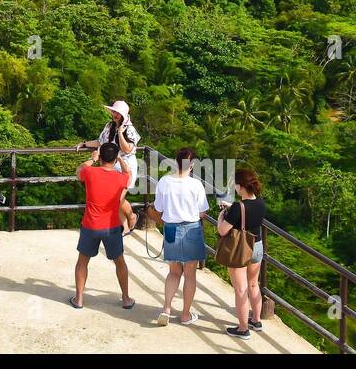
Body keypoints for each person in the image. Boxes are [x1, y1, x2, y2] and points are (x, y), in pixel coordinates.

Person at [70, 143, 137, 310]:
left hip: (90, 225)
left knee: (82, 262)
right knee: (120, 262)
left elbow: (79, 171)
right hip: (111, 227)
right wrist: (120, 158)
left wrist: (91, 160)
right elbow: (128, 173)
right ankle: (126, 299)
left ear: (100, 158)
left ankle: (79, 299)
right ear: (114, 160)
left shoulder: (90, 172)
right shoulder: (121, 178)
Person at [152, 147, 210, 326]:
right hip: (191, 229)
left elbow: (158, 210)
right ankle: (185, 314)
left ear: (175, 161)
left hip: (170, 229)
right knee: (190, 275)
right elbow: (202, 212)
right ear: (192, 165)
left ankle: (167, 309)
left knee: (174, 272)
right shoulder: (195, 184)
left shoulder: (164, 181)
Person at [218, 167, 266, 339]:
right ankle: (256, 320)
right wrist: (233, 208)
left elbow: (223, 230)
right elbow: (248, 211)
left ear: (240, 186)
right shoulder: (260, 203)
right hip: (257, 246)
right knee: (253, 284)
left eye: (236, 185)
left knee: (240, 289)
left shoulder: (238, 207)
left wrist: (222, 216)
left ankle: (243, 328)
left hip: (240, 250)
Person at [76, 99, 140, 190]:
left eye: (118, 113)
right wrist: (84, 144)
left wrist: (120, 133)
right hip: (110, 165)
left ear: (123, 115)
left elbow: (127, 150)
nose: (115, 115)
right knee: (114, 197)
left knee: (118, 198)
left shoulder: (130, 129)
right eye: (114, 111)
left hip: (125, 165)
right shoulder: (109, 126)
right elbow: (100, 142)